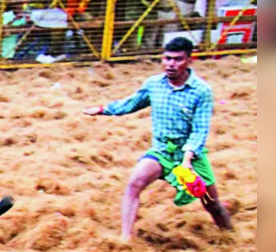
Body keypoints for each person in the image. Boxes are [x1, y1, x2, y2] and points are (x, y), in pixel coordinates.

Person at [84, 38, 233, 241]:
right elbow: (131, 103)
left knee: (211, 202)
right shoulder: (154, 84)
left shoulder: (201, 91)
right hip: (162, 152)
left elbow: (200, 131)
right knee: (134, 183)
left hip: (190, 155)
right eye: (167, 58)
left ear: (189, 60)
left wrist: (187, 160)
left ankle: (230, 237)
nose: (170, 64)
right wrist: (103, 110)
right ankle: (125, 240)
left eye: (177, 59)